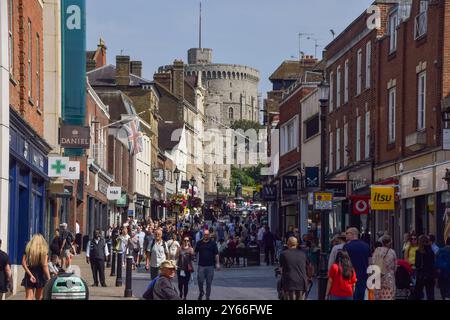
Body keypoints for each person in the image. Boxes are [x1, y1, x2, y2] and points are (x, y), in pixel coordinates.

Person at [343, 227, 371, 300]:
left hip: (350, 278)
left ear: (352, 234)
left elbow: (343, 263)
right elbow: (370, 262)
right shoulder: (366, 246)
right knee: (362, 297)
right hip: (363, 277)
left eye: (347, 233)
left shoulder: (346, 247)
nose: (345, 235)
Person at [21, 234, 51, 300]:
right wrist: (49, 278)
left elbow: (23, 263)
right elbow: (44, 265)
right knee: (39, 297)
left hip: (29, 275)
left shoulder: (28, 249)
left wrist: (30, 275)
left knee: (29, 297)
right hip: (40, 275)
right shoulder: (44, 251)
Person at [195, 229, 220, 300]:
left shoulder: (213, 243)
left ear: (209, 235)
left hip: (210, 266)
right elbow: (195, 252)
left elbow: (216, 254)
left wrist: (217, 263)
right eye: (204, 234)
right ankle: (201, 292)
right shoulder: (199, 243)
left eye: (207, 234)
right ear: (203, 235)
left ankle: (207, 297)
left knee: (209, 283)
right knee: (200, 281)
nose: (206, 236)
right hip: (201, 266)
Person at [372, 235, 397, 300]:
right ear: (390, 242)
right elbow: (395, 267)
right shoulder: (392, 252)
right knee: (388, 296)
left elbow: (373, 262)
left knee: (378, 296)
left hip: (378, 277)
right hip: (389, 278)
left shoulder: (377, 250)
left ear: (382, 242)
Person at [413, 235, 435, 300]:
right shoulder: (431, 251)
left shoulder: (418, 251)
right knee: (430, 294)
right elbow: (432, 263)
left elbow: (417, 264)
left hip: (421, 275)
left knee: (418, 294)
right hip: (430, 275)